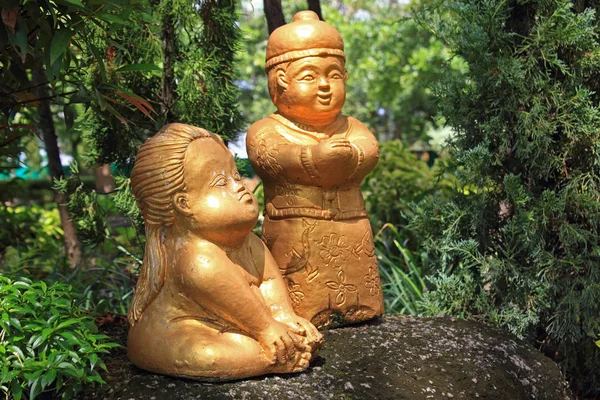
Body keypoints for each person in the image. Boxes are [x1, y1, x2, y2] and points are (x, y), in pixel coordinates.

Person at [127, 123, 322, 380]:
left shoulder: (249, 242)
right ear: (183, 204)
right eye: (221, 182)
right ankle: (273, 357)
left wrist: (285, 316)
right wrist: (269, 331)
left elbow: (269, 282)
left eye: (236, 176)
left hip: (238, 326)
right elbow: (246, 311)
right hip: (179, 328)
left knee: (266, 337)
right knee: (205, 354)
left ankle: (276, 348)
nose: (239, 186)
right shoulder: (196, 256)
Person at [246, 11, 384, 328]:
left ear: (345, 76)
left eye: (333, 75)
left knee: (357, 281)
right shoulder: (265, 129)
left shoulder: (351, 126)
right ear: (280, 81)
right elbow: (271, 157)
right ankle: (303, 312)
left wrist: (351, 156)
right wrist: (313, 157)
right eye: (309, 77)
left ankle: (360, 306)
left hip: (351, 223)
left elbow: (370, 150)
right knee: (301, 288)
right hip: (295, 228)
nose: (324, 86)